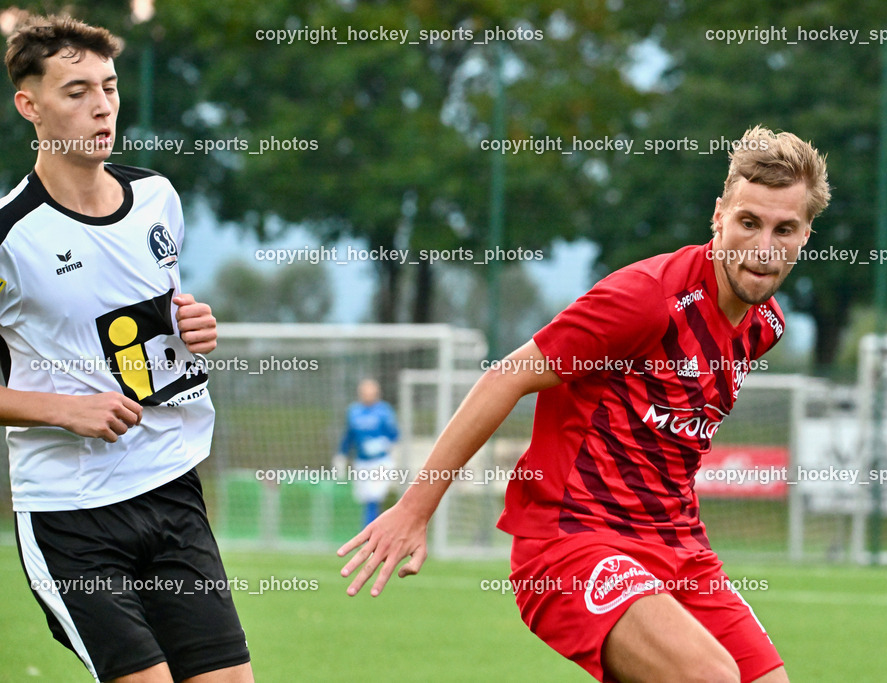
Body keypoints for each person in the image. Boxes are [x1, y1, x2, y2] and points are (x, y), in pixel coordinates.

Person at [339, 126, 830, 683]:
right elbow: (506, 377)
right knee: (710, 678)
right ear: (718, 216)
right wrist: (414, 508)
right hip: (571, 542)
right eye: (749, 222)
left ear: (806, 234)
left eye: (783, 229)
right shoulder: (646, 299)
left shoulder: (765, 325)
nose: (764, 247)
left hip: (679, 547)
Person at [2, 15, 253, 683]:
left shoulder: (156, 198)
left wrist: (194, 326)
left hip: (172, 489)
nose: (102, 105)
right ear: (30, 105)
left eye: (108, 86)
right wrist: (64, 410)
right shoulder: (9, 238)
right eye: (76, 90)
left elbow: (156, 321)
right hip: (72, 514)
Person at [334, 378, 400, 526]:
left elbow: (394, 434)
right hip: (361, 461)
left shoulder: (384, 411)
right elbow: (349, 435)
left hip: (380, 462)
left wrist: (382, 444)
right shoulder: (354, 411)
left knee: (374, 499)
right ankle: (369, 534)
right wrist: (341, 454)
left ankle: (370, 537)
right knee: (365, 499)